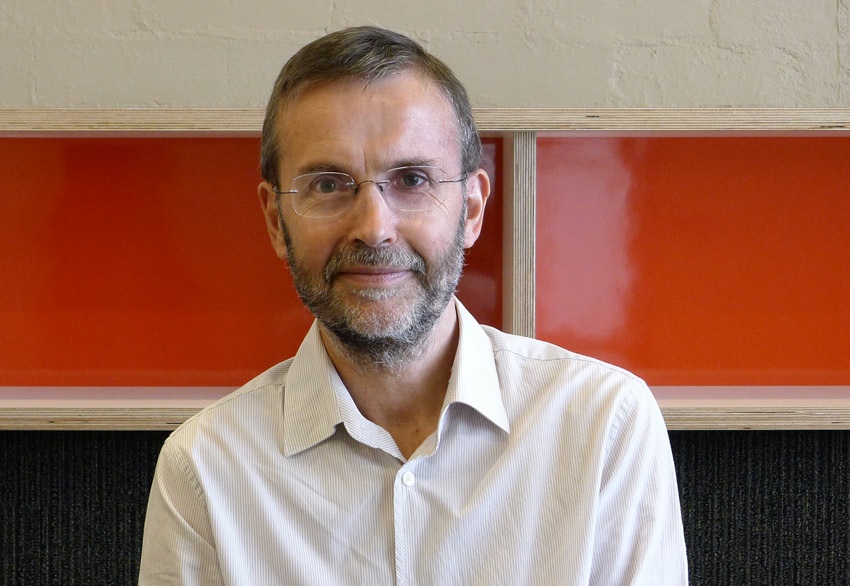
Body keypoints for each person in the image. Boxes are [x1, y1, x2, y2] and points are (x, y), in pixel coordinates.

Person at [139, 26, 688, 585]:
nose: (374, 228)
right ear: (276, 221)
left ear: (471, 209)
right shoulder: (202, 471)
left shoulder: (605, 425)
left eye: (411, 179)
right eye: (328, 185)